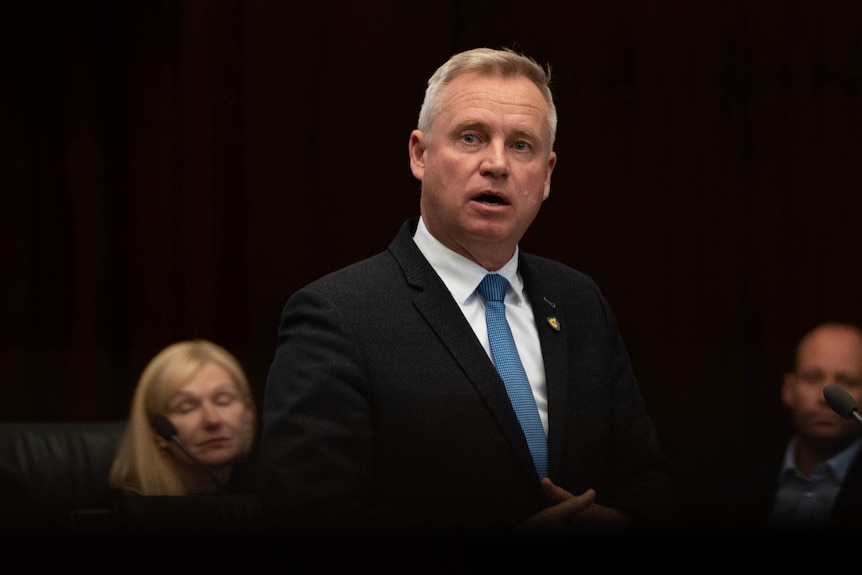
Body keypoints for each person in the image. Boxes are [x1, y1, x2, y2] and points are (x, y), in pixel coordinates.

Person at [258, 47, 680, 536]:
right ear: (420, 154)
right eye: (471, 137)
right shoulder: (337, 315)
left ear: (546, 176)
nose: (497, 163)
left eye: (522, 145)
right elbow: (306, 515)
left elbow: (650, 481)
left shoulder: (579, 300)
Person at [703, 322, 862, 534]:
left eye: (847, 382)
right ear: (788, 389)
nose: (825, 398)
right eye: (812, 378)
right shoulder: (732, 479)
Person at [108, 339, 258, 496]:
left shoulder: (274, 491)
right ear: (157, 431)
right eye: (187, 408)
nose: (212, 420)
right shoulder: (131, 509)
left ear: (248, 414)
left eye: (223, 401)